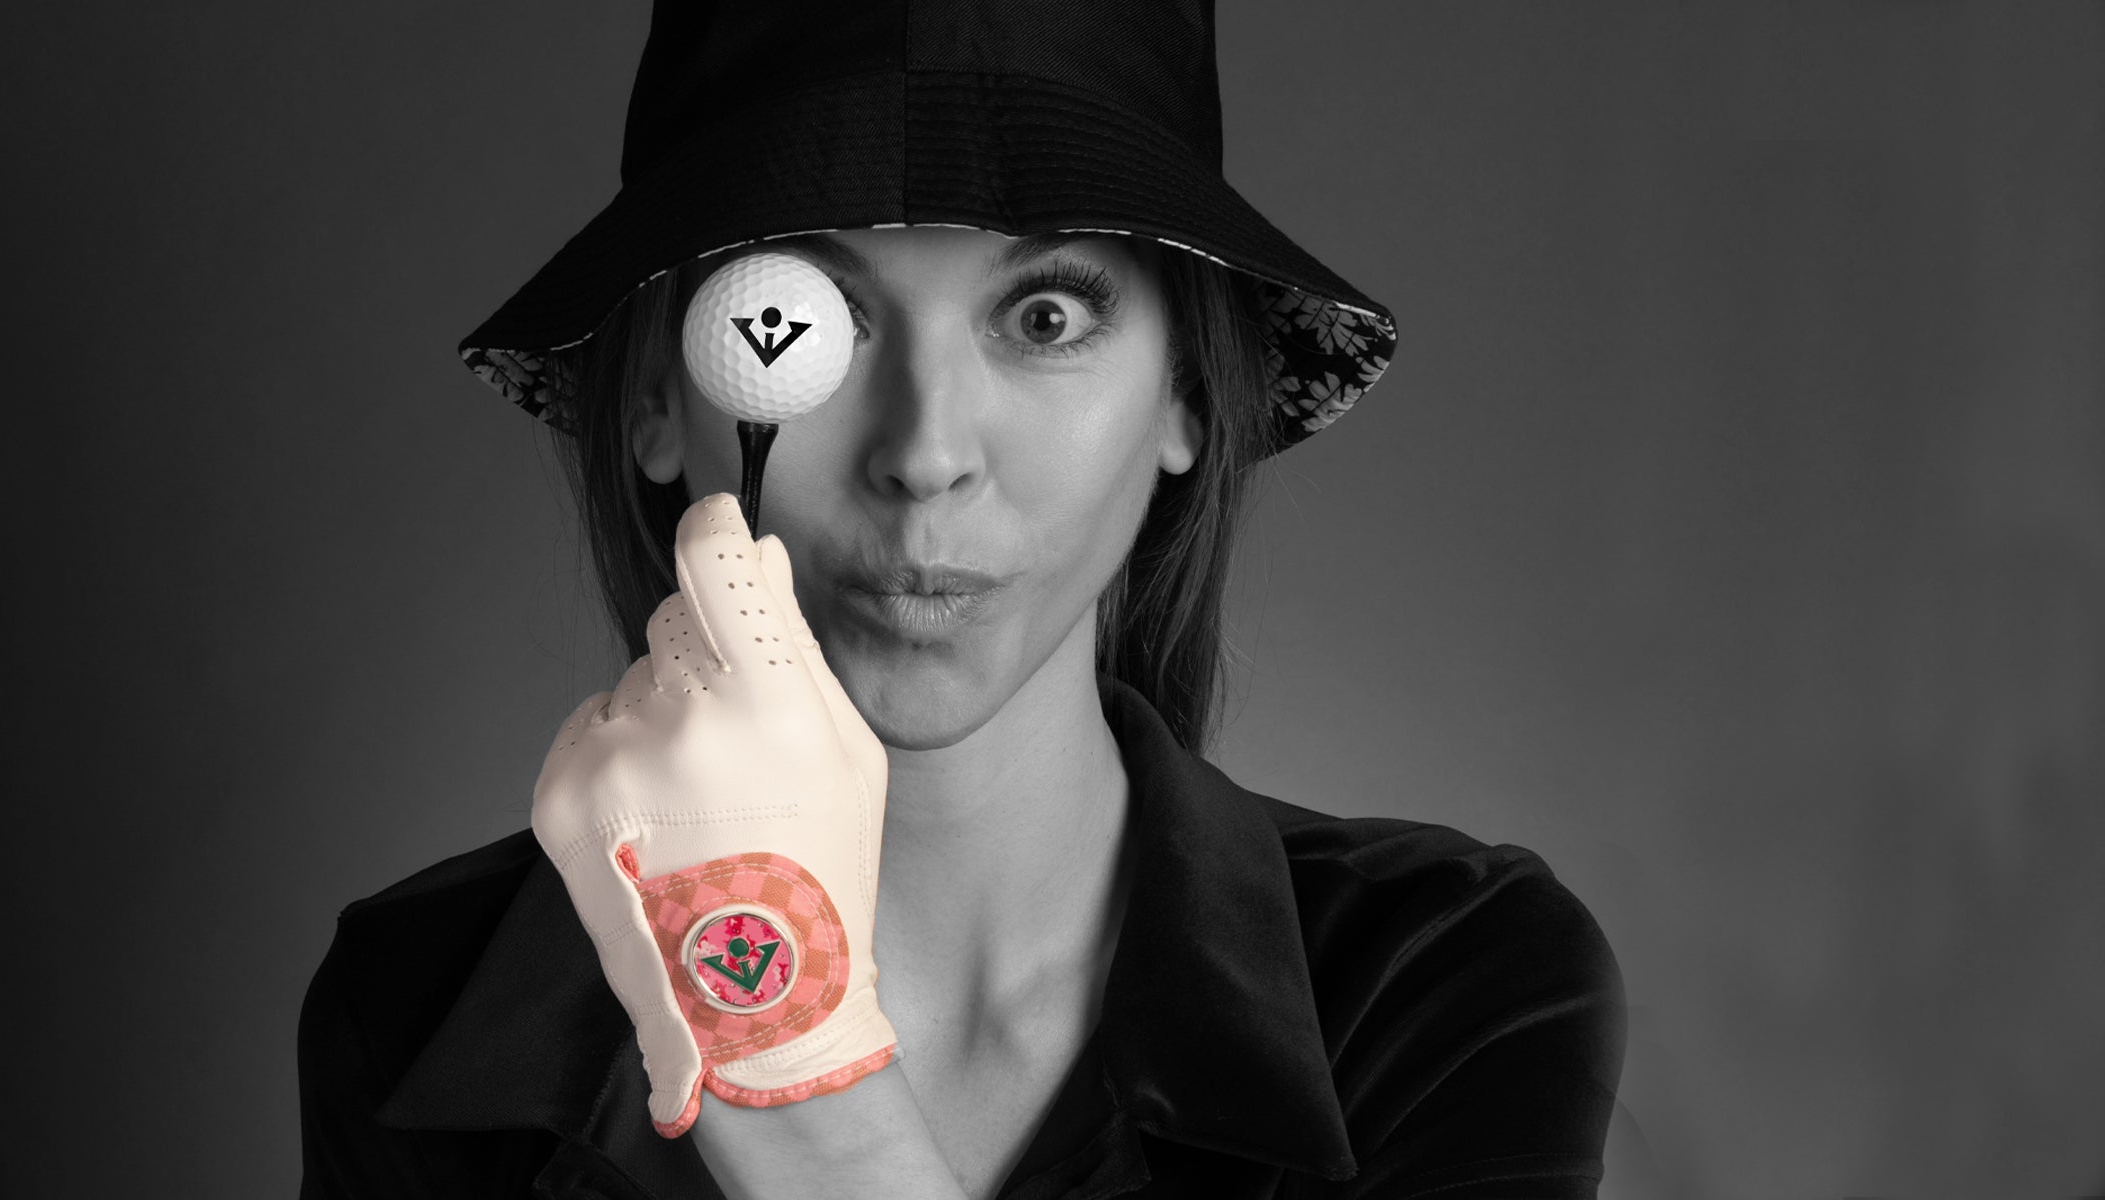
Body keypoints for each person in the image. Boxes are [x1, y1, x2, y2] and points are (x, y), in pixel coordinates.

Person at [299, 3, 1624, 1197]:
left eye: (1045, 316)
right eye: (804, 320)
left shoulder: (1441, 983)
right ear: (652, 396)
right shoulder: (426, 1012)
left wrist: (782, 1052)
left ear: (1187, 396)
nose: (926, 455)